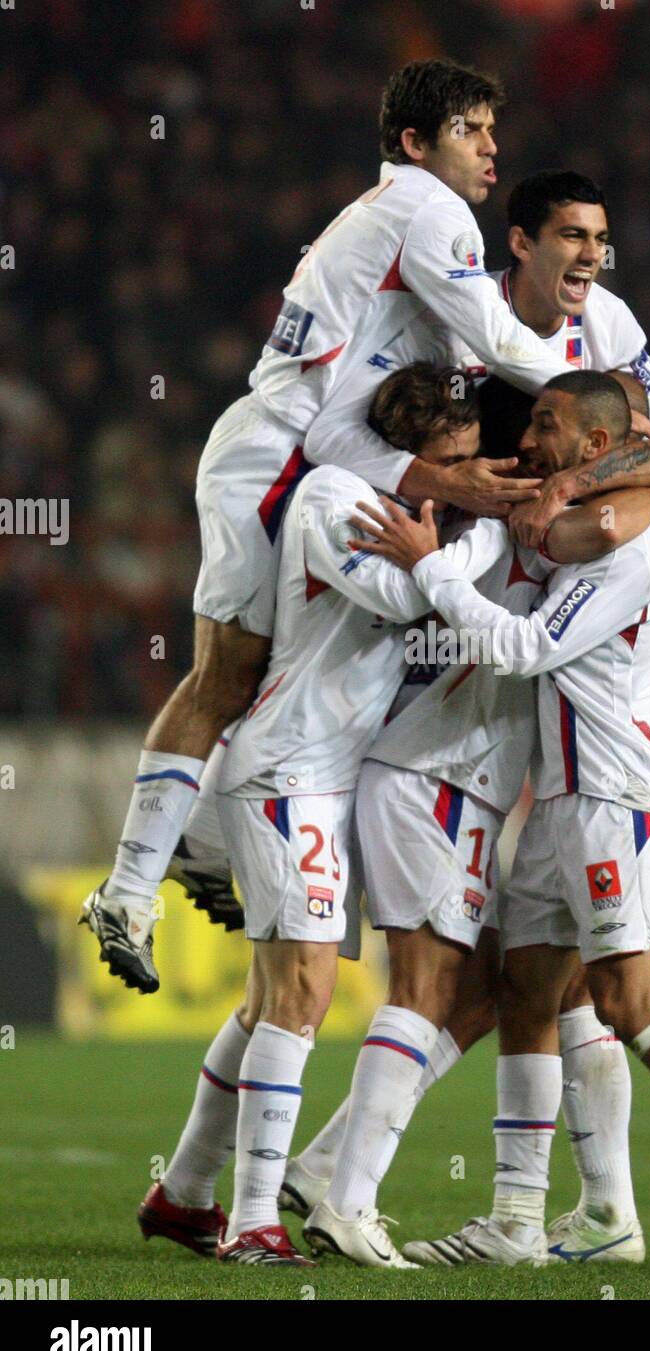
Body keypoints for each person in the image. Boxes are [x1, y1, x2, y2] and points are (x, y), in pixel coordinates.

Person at [79, 57, 586, 994]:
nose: (491, 147)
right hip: (275, 457)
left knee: (277, 673)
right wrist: (599, 385)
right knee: (228, 674)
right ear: (414, 143)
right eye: (471, 129)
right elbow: (501, 345)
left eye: (490, 129)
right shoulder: (428, 213)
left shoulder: (384, 219)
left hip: (291, 448)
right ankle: (130, 888)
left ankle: (194, 845)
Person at [354, 371, 650, 1275]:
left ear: (598, 447)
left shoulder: (628, 552)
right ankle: (519, 1218)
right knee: (526, 984)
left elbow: (526, 648)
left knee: (630, 1000)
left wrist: (429, 571)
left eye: (547, 424)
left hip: (619, 799)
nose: (531, 438)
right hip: (569, 799)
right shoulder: (616, 519)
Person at [137, 368, 507, 1267]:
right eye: (449, 466)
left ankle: (185, 1193)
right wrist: (479, 537)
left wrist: (448, 543)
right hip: (284, 771)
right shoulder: (331, 497)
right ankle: (259, 1220)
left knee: (269, 996)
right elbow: (404, 597)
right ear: (405, 460)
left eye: (472, 464)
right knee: (304, 995)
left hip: (326, 779)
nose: (462, 486)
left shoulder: (421, 521)